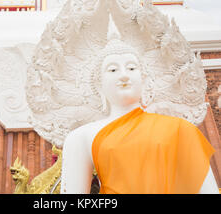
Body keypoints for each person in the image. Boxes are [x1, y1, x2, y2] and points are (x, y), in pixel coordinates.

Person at [60, 38, 219, 194]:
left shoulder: (181, 129)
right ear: (98, 84)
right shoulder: (81, 136)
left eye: (131, 68)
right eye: (113, 70)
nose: (124, 75)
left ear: (144, 80)